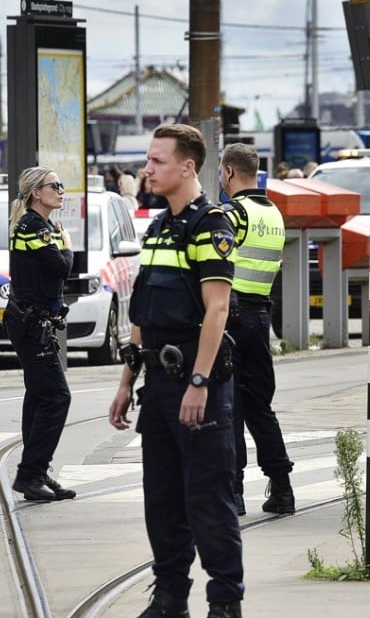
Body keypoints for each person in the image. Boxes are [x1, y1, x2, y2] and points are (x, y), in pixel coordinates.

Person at [108, 124, 244, 618]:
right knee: (162, 502)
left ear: (188, 166)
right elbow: (141, 313)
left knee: (208, 502)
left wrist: (200, 382)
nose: (147, 169)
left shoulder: (212, 226)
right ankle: (170, 599)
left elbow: (218, 310)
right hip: (157, 386)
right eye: (148, 160)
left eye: (157, 161)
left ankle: (225, 604)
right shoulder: (158, 228)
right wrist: (126, 381)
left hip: (196, 384)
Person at [218, 143, 294, 517]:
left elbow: (213, 265)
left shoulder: (233, 213)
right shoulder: (274, 213)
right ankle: (282, 488)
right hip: (260, 318)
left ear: (230, 172)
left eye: (221, 171)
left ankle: (233, 493)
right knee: (260, 407)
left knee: (229, 407)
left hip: (230, 318)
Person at [3, 168, 76, 502]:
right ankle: (30, 473)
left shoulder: (41, 226)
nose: (61, 191)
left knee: (38, 396)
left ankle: (36, 471)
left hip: (34, 323)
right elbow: (61, 268)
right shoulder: (34, 227)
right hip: (33, 325)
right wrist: (68, 246)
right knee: (57, 397)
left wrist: (60, 244)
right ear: (36, 193)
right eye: (54, 186)